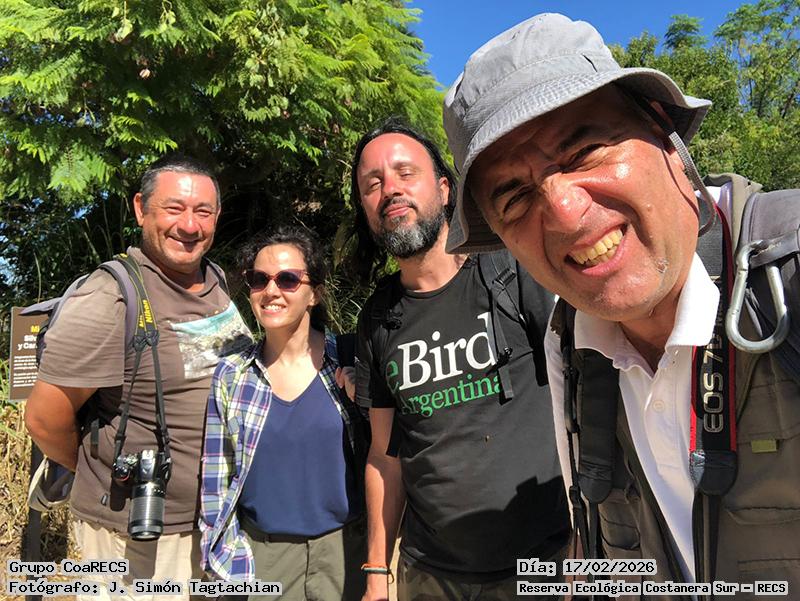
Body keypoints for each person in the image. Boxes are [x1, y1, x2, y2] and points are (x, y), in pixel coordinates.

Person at [443, 11, 800, 594]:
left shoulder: (788, 280)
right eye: (515, 197)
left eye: (585, 150)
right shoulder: (573, 347)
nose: (564, 213)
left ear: (665, 132)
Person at [351, 119, 570, 601]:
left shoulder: (513, 270)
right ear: (366, 209)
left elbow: (587, 401)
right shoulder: (377, 319)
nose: (390, 190)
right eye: (373, 183)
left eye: (405, 173)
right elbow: (384, 458)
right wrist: (377, 574)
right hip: (429, 575)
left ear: (445, 188)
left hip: (543, 566)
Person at [25, 155, 253, 600]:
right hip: (138, 536)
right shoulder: (108, 297)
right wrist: (100, 472)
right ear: (140, 209)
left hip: (215, 524)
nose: (189, 225)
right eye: (174, 208)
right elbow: (44, 419)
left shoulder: (215, 280)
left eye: (203, 211)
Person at [199, 225, 369, 600]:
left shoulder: (353, 360)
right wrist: (225, 560)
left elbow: (390, 450)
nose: (271, 291)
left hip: (346, 552)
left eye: (288, 279)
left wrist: (366, 400)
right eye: (259, 279)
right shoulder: (233, 376)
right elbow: (216, 478)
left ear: (315, 293)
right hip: (263, 558)